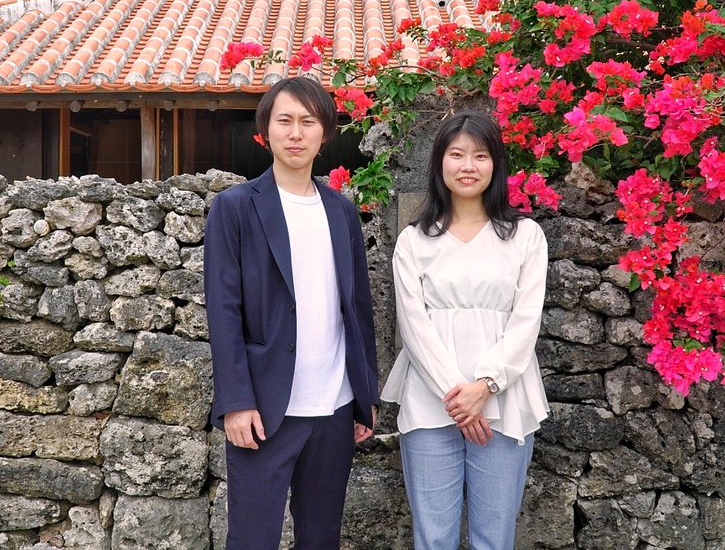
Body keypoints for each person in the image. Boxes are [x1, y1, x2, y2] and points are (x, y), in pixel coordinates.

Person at [204, 76, 380, 550]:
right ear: (265, 131)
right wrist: (236, 401)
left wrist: (364, 394)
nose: (296, 133)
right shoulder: (235, 208)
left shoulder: (341, 211)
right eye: (284, 121)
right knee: (252, 539)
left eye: (308, 121)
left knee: (321, 538)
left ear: (325, 133)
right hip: (263, 408)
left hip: (334, 407)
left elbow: (356, 307)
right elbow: (223, 311)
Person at [380, 111, 549, 550]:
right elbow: (413, 325)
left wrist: (486, 385)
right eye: (456, 155)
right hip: (430, 401)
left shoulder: (525, 236)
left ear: (496, 164)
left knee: (494, 538)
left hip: (504, 400)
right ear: (440, 162)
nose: (468, 166)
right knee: (432, 538)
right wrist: (459, 398)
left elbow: (526, 320)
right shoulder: (415, 240)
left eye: (480, 155)